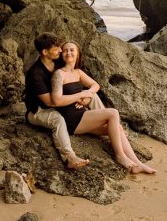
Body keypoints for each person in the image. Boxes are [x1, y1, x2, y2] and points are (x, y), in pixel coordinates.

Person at [51, 40, 156, 174]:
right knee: (112, 113)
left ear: (78, 54)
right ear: (61, 54)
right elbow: (57, 100)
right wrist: (80, 95)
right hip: (71, 119)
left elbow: (95, 85)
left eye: (72, 50)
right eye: (65, 50)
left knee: (116, 127)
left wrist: (88, 95)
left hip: (83, 118)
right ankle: (120, 156)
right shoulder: (59, 74)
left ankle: (138, 164)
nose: (68, 53)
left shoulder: (77, 72)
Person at [24, 32, 94, 170]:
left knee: (93, 96)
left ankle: (113, 125)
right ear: (45, 52)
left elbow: (72, 74)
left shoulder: (56, 62)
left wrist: (87, 95)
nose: (61, 51)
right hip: (38, 111)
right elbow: (51, 102)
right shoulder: (35, 73)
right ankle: (70, 157)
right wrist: (79, 96)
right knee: (58, 119)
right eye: (56, 49)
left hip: (58, 104)